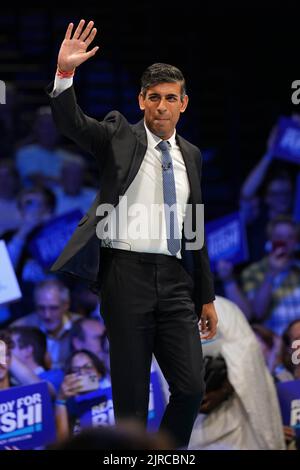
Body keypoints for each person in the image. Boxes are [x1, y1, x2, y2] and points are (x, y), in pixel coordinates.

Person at [47, 19, 217, 448]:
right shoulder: (119, 136)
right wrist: (65, 75)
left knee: (191, 387)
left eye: (170, 98)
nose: (162, 106)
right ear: (142, 100)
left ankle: (160, 456)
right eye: (154, 97)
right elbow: (74, 125)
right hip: (126, 276)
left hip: (177, 281)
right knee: (131, 400)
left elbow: (194, 225)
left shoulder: (192, 155)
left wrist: (207, 294)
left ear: (184, 104)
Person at [189, 296, 285, 450]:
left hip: (234, 426)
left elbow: (248, 367)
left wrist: (223, 391)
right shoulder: (151, 314)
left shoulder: (223, 309)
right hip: (186, 431)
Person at [13, 279, 82, 369]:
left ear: (66, 305)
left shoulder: (82, 327)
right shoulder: (20, 329)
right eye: (41, 308)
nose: (47, 315)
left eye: (53, 308)